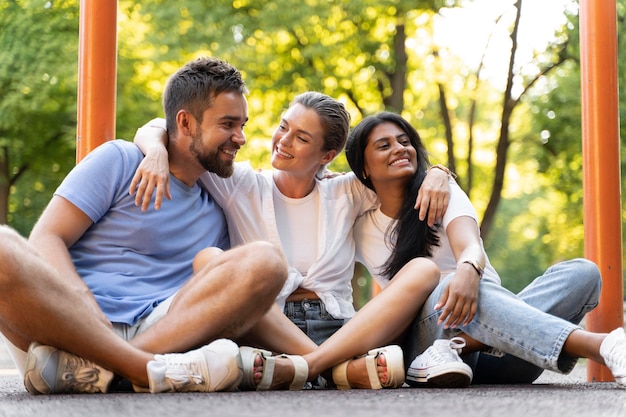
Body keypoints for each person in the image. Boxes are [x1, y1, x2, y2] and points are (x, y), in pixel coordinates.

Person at [0, 56, 323, 395]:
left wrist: (323, 178)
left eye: (242, 124)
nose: (240, 137)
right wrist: (84, 306)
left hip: (159, 330)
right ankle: (139, 370)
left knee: (266, 262)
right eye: (228, 124)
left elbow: (231, 297)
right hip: (68, 326)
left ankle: (112, 371)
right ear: (185, 123)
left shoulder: (221, 201)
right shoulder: (120, 159)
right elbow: (47, 237)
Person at [131, 92, 465, 390]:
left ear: (326, 155)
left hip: (340, 330)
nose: (283, 141)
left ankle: (303, 368)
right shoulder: (240, 183)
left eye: (301, 138)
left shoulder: (348, 191)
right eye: (283, 126)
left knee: (422, 270)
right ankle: (336, 371)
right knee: (209, 259)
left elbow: (400, 167)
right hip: (265, 326)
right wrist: (157, 153)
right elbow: (157, 127)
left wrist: (439, 172)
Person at [345, 111, 626, 387]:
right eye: (384, 145)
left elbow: (469, 244)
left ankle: (469, 343)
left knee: (583, 273)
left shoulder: (444, 191)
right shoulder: (359, 226)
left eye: (404, 141)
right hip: (428, 347)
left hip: (506, 356)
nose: (399, 149)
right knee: (448, 286)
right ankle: (603, 346)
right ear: (364, 168)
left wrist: (469, 269)